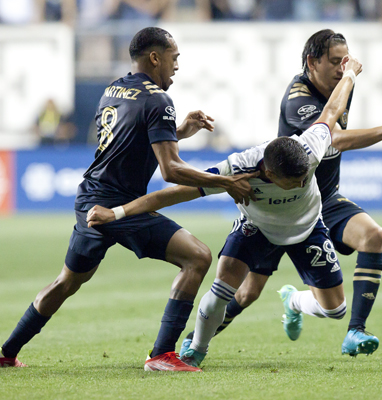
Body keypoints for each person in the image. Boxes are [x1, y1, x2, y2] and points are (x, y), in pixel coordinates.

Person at [0, 27, 257, 372]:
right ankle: (162, 354)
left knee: (66, 282)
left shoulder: (115, 88)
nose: (176, 66)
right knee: (199, 257)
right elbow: (171, 170)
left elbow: (132, 141)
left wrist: (181, 131)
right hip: (118, 206)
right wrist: (225, 181)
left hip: (89, 201)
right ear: (155, 57)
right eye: (174, 58)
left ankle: (3, 353)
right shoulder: (159, 99)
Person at [87, 53, 364, 367]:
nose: (303, 184)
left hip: (307, 228)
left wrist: (350, 76)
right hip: (256, 229)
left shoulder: (310, 145)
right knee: (222, 291)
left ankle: (293, 300)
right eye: (296, 181)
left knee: (336, 310)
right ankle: (195, 351)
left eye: (306, 178)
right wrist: (117, 213)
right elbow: (171, 195)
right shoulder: (237, 171)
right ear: (269, 175)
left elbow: (331, 110)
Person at [182, 29, 382, 358]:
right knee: (246, 294)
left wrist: (347, 77)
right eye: (333, 61)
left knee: (373, 236)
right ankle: (195, 341)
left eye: (345, 61)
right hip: (279, 205)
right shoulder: (299, 98)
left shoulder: (341, 82)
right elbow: (333, 137)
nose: (342, 68)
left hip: (322, 199)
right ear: (311, 62)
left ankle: (352, 329)